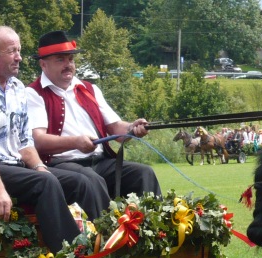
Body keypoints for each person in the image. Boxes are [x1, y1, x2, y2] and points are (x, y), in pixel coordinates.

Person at [0, 26, 99, 253]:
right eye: (12, 51)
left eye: (19, 50)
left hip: (14, 167)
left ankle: (104, 246)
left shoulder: (17, 88)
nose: (19, 57)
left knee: (80, 182)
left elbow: (25, 142)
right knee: (46, 184)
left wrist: (40, 167)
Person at [26, 31, 161, 213]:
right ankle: (105, 230)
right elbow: (38, 141)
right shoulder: (33, 94)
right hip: (61, 164)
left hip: (101, 162)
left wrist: (132, 127)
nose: (68, 65)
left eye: (71, 59)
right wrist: (75, 142)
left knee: (144, 173)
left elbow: (116, 128)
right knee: (91, 180)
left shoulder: (90, 89)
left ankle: (151, 227)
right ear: (43, 64)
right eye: (60, 60)